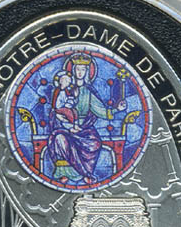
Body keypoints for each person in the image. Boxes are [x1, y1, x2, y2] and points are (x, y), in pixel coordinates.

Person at [47, 53, 126, 185]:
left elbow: (101, 111)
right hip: (66, 127)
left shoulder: (88, 92)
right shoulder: (65, 90)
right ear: (73, 71)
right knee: (59, 139)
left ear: (87, 72)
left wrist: (117, 109)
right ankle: (64, 173)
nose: (80, 72)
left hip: (85, 129)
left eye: (83, 69)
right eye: (77, 69)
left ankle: (85, 173)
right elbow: (56, 109)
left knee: (94, 144)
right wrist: (64, 121)